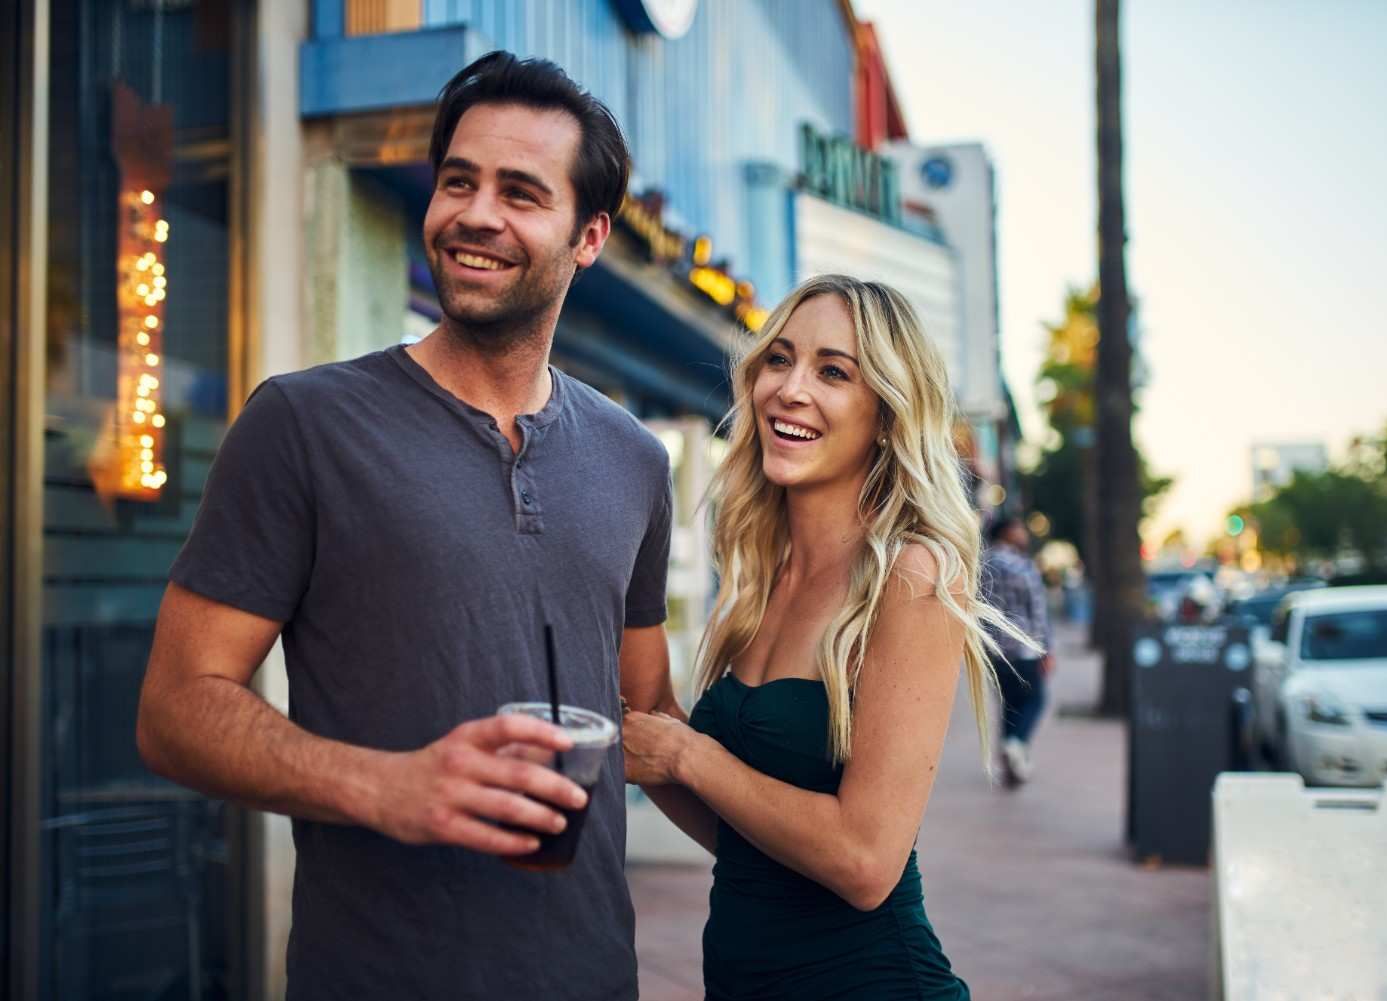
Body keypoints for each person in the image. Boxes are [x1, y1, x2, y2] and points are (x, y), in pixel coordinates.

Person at [135, 52, 681, 1001]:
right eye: (459, 180)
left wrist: (807, 828)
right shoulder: (303, 424)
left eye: (521, 192)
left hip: (593, 975)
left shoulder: (635, 459)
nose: (476, 213)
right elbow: (176, 708)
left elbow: (644, 721)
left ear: (588, 237)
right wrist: (388, 785)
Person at [621, 275, 1038, 1000]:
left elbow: (866, 859)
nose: (790, 388)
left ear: (884, 414)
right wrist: (651, 736)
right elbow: (745, 837)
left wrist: (687, 752)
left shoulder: (910, 574)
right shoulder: (760, 572)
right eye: (778, 359)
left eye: (834, 371)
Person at [980, 514, 1055, 786]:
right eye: (1020, 528)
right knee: (1036, 699)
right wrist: (1047, 649)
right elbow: (1038, 610)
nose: (1024, 533)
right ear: (1008, 532)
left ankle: (1010, 764)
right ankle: (1016, 743)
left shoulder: (983, 565)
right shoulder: (1023, 566)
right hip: (1025, 646)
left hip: (994, 649)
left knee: (1009, 703)